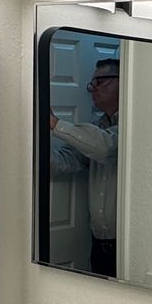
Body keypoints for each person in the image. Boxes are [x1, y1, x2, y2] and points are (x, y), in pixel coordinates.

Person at [50, 57, 120, 276]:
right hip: (98, 246)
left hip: (129, 247)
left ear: (124, 81)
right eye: (92, 83)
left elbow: (106, 148)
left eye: (99, 82)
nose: (92, 89)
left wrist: (54, 123)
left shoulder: (135, 126)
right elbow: (62, 163)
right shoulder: (97, 128)